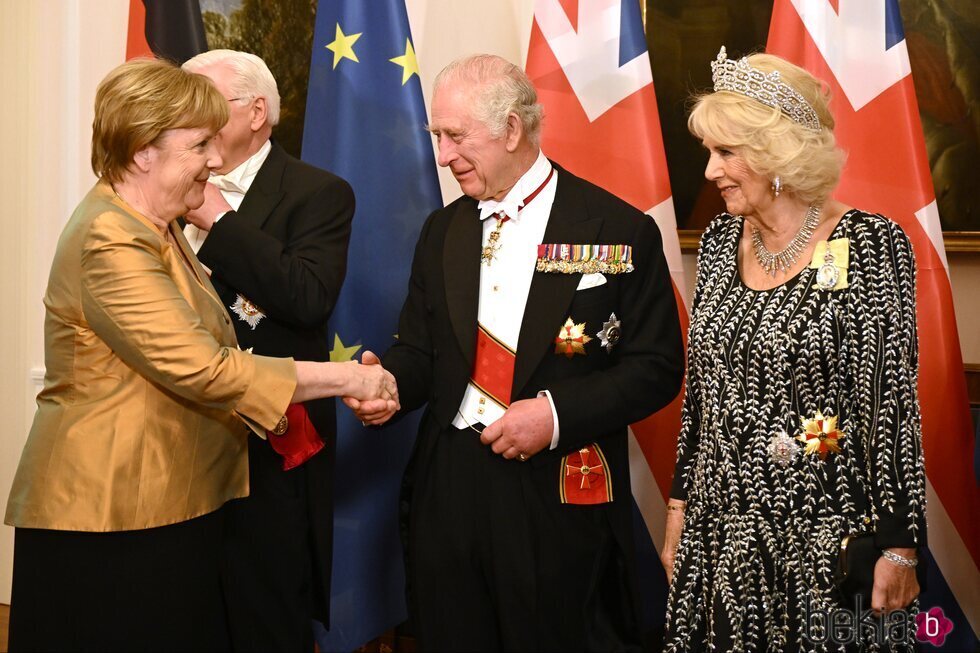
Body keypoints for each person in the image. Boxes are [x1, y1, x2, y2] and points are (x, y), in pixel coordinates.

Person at [3, 58, 395, 653]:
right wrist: (349, 379)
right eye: (199, 145)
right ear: (142, 153)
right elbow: (206, 368)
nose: (215, 161)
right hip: (110, 512)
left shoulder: (151, 225)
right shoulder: (113, 237)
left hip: (164, 503)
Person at [349, 54, 684, 652]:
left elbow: (656, 369)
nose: (444, 156)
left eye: (456, 137)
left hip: (555, 488)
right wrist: (391, 384)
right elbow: (421, 352)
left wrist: (554, 416)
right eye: (438, 137)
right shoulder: (442, 230)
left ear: (511, 129)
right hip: (449, 485)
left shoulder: (616, 228)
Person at [661, 47, 927, 652]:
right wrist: (678, 506)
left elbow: (890, 408)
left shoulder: (871, 243)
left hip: (826, 536)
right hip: (719, 535)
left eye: (726, 152)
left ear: (777, 154)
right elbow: (704, 396)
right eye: (709, 151)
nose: (709, 171)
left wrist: (899, 543)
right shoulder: (723, 239)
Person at [180, 49, 354, 652]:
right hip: (176, 440)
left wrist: (220, 221)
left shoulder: (318, 193)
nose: (187, 114)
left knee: (265, 618)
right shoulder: (164, 186)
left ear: (257, 112)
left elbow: (307, 299)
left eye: (204, 100)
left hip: (268, 444)